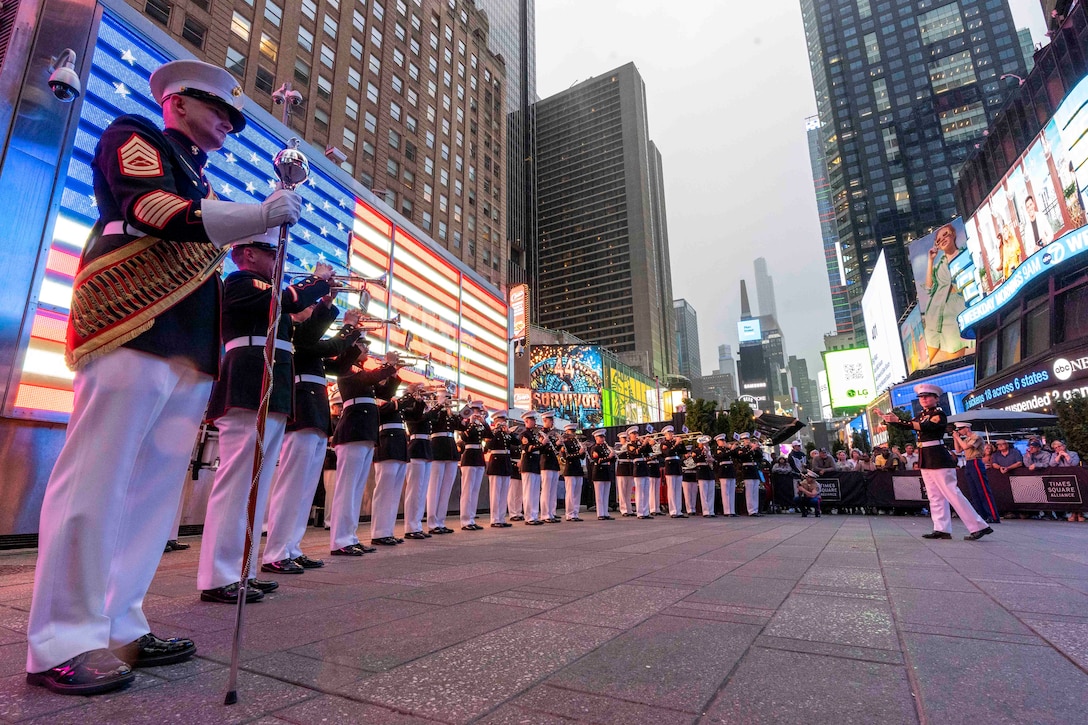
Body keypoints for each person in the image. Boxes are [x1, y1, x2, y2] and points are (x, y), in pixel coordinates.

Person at [26, 59, 302, 695]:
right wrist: (259, 214)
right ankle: (62, 638)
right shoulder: (132, 136)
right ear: (177, 102)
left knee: (152, 492)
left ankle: (120, 619)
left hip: (186, 341)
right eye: (219, 109)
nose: (230, 123)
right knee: (96, 479)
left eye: (235, 116)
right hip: (132, 318)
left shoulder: (200, 179)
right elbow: (152, 211)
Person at [197, 239, 333, 603]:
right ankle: (218, 575)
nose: (279, 259)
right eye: (273, 253)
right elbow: (283, 302)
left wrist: (323, 304)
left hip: (270, 388)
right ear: (248, 254)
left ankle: (242, 570)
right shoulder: (242, 281)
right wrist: (316, 283)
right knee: (239, 481)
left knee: (256, 484)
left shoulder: (269, 292)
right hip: (249, 382)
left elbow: (303, 336)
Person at [262, 301, 362, 573]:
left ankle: (291, 547)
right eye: (312, 306)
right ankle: (276, 552)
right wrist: (348, 326)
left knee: (305, 489)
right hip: (303, 412)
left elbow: (338, 367)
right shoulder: (296, 333)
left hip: (315, 413)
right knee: (292, 486)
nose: (313, 309)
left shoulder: (307, 340)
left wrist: (355, 343)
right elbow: (328, 347)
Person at [881, 384, 992, 540]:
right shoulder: (921, 414)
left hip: (938, 455)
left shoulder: (939, 414)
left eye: (927, 396)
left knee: (952, 493)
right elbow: (908, 425)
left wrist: (897, 419)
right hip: (926, 456)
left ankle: (979, 526)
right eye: (921, 397)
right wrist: (890, 420)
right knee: (934, 495)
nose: (924, 399)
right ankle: (941, 528)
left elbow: (926, 427)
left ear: (936, 398)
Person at [329, 347, 399, 555]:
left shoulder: (359, 370)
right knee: (348, 488)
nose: (367, 348)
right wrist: (388, 366)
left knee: (356, 488)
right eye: (362, 344)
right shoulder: (346, 368)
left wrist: (393, 374)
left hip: (365, 431)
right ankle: (340, 540)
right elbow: (365, 380)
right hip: (353, 429)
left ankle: (349, 536)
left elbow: (385, 393)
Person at [923, 222, 971, 364]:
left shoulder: (966, 255)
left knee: (955, 362)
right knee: (925, 362)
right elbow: (929, 289)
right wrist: (930, 261)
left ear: (953, 234)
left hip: (957, 311)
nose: (943, 239)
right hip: (936, 312)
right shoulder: (938, 266)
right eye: (939, 239)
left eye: (945, 234)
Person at [399, 382, 437, 540]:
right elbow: (418, 418)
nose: (425, 393)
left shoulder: (423, 405)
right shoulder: (410, 406)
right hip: (416, 446)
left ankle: (417, 524)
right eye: (421, 390)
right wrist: (420, 401)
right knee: (414, 490)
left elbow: (433, 420)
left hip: (426, 447)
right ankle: (410, 526)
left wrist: (437, 406)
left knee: (422, 490)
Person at [425, 390, 465, 534]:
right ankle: (432, 522)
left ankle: (440, 521)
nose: (449, 400)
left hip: (450, 448)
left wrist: (461, 414)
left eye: (449, 398)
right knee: (434, 487)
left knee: (446, 488)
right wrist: (439, 406)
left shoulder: (450, 414)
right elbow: (430, 420)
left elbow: (462, 427)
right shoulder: (433, 411)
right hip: (437, 447)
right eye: (445, 397)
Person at [952, 423, 1000, 525]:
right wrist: (955, 438)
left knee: (983, 489)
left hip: (976, 461)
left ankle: (993, 515)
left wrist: (957, 437)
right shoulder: (966, 439)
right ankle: (981, 515)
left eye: (961, 429)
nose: (959, 431)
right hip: (969, 462)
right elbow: (958, 450)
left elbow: (965, 447)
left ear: (967, 428)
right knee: (974, 491)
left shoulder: (976, 437)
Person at [457, 402, 492, 531]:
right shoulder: (465, 424)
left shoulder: (480, 426)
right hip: (469, 457)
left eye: (478, 411)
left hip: (479, 457)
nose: (477, 413)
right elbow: (464, 437)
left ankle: (471, 518)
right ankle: (465, 520)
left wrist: (484, 422)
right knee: (467, 490)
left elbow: (490, 435)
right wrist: (471, 422)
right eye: (475, 411)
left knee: (475, 490)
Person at [484, 411, 513, 528]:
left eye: (504, 421)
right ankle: (495, 519)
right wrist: (495, 431)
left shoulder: (506, 434)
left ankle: (501, 518)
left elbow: (516, 443)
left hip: (505, 463)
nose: (503, 423)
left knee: (503, 493)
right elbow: (488, 446)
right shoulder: (492, 433)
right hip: (496, 463)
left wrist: (510, 433)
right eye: (501, 420)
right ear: (496, 421)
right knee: (496, 493)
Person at [519, 412, 545, 525]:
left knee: (535, 492)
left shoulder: (534, 435)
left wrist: (543, 445)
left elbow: (539, 449)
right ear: (526, 421)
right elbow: (527, 447)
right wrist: (541, 444)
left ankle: (534, 515)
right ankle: (529, 516)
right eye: (532, 420)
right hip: (528, 464)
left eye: (534, 420)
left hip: (535, 464)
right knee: (528, 492)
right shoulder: (524, 434)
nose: (534, 422)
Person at [538, 412, 563, 523]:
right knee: (546, 490)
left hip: (553, 463)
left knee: (552, 490)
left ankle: (551, 512)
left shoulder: (553, 434)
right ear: (545, 420)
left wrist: (559, 444)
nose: (552, 422)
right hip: (546, 463)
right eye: (550, 420)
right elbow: (542, 450)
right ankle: (545, 514)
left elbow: (556, 451)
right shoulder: (541, 433)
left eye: (552, 420)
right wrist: (556, 444)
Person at [560, 424, 586, 521]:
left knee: (577, 492)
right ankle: (570, 514)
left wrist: (583, 451)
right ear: (567, 432)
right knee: (570, 493)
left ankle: (575, 513)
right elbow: (566, 456)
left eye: (574, 432)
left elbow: (582, 457)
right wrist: (578, 453)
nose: (573, 434)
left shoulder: (577, 443)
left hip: (578, 469)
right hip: (570, 469)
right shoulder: (565, 443)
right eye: (572, 432)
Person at [660, 426, 687, 518]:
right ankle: (673, 511)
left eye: (672, 432)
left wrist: (681, 443)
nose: (672, 434)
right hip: (670, 465)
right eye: (669, 432)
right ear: (665, 435)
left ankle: (678, 510)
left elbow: (683, 451)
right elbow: (668, 453)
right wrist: (676, 444)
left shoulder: (675, 442)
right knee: (671, 489)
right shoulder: (664, 443)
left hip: (677, 465)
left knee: (678, 489)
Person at [588, 430, 615, 520]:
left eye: (603, 437)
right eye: (600, 437)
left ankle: (605, 512)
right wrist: (609, 457)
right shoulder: (594, 448)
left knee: (606, 493)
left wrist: (613, 456)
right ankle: (600, 513)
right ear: (596, 438)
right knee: (599, 494)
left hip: (606, 471)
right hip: (598, 471)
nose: (602, 439)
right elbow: (597, 460)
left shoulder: (606, 448)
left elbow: (612, 461)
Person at [735, 433, 763, 517]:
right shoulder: (741, 449)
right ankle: (751, 510)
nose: (747, 441)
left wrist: (756, 449)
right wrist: (751, 450)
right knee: (750, 492)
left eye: (748, 439)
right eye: (745, 439)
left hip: (754, 470)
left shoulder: (753, 448)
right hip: (747, 470)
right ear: (743, 441)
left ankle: (756, 509)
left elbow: (760, 456)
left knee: (755, 491)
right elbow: (742, 457)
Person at [632, 428, 653, 519]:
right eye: (634, 433)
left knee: (646, 491)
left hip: (645, 467)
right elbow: (636, 452)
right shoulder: (630, 445)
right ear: (630, 436)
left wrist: (647, 442)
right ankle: (640, 512)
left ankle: (646, 511)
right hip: (638, 467)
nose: (636, 435)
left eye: (637, 433)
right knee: (640, 492)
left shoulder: (641, 443)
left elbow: (649, 453)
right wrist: (643, 444)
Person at [714, 435, 737, 517]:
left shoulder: (727, 449)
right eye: (721, 441)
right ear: (718, 442)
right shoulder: (718, 449)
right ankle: (727, 510)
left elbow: (736, 455)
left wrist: (734, 448)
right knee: (725, 492)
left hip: (730, 470)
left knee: (731, 492)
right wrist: (731, 449)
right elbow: (722, 456)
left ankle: (732, 510)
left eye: (724, 441)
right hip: (723, 471)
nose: (724, 442)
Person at [695, 437, 717, 517]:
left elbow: (715, 461)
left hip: (710, 472)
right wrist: (702, 453)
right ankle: (706, 511)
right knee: (704, 493)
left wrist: (711, 457)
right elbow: (696, 460)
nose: (705, 444)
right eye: (703, 443)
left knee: (711, 493)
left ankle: (711, 511)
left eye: (706, 443)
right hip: (702, 472)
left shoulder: (710, 451)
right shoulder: (696, 451)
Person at [614, 431, 635, 516]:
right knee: (622, 491)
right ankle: (623, 509)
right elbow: (618, 453)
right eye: (624, 438)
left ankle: (629, 509)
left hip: (629, 468)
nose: (626, 440)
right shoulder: (618, 446)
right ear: (620, 439)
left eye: (626, 438)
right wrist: (626, 445)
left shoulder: (630, 445)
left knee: (629, 491)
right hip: (622, 468)